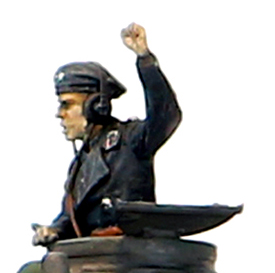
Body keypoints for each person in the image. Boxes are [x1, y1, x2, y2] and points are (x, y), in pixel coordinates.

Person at [33, 23, 181, 246]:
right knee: (39, 267)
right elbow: (70, 216)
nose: (60, 114)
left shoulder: (130, 140)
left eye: (67, 105)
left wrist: (145, 59)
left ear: (96, 106)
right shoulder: (80, 164)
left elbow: (166, 116)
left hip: (129, 250)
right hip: (96, 250)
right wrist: (53, 230)